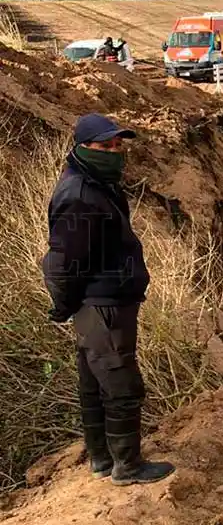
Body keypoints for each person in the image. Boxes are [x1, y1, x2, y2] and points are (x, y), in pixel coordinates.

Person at [41, 113, 175, 486]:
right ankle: (127, 466)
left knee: (95, 383)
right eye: (106, 145)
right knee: (121, 386)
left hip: (102, 303)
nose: (115, 152)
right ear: (84, 147)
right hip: (102, 306)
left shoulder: (96, 184)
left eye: (118, 145)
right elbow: (63, 261)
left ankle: (102, 459)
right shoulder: (80, 196)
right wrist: (64, 304)